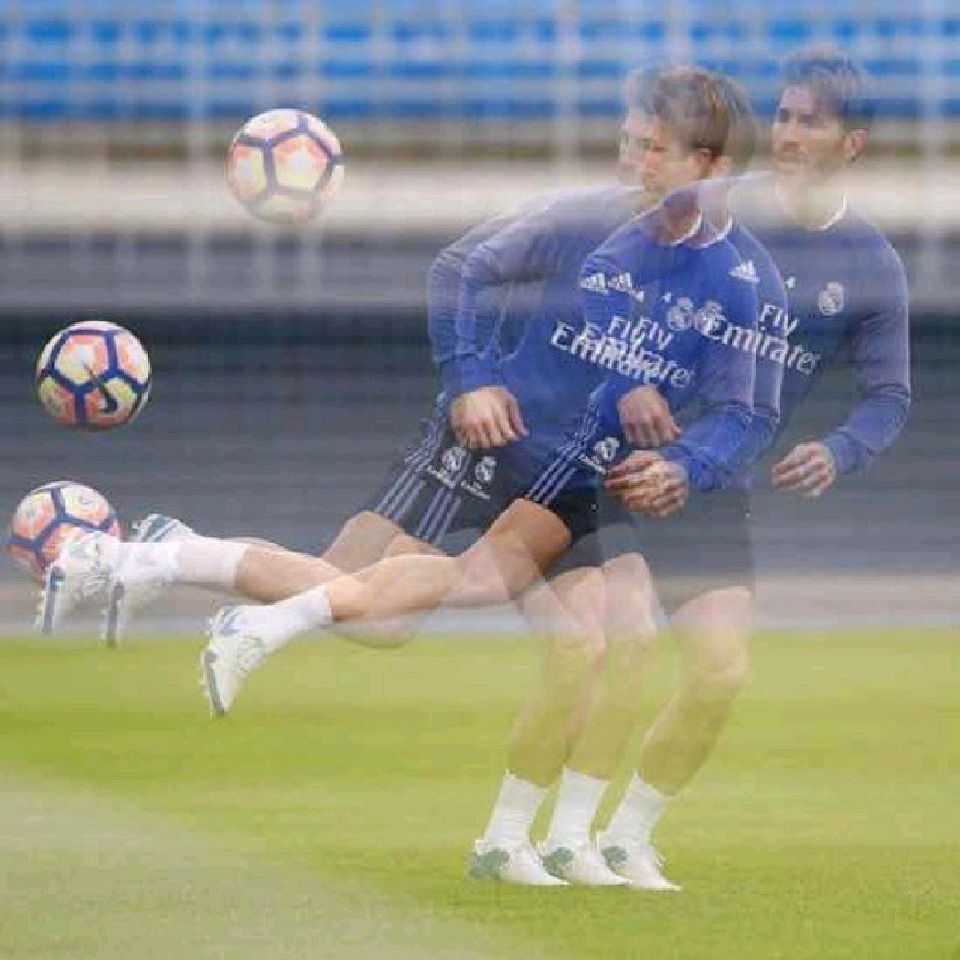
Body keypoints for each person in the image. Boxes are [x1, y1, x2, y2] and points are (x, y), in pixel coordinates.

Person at [553, 46, 910, 891]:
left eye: (810, 121)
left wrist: (839, 448)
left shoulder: (870, 263)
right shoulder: (705, 205)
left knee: (719, 674)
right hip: (623, 457)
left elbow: (890, 395)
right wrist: (626, 381)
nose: (787, 133)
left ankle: (626, 838)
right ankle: (557, 835)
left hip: (714, 474)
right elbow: (601, 282)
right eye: (782, 115)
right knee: (624, 644)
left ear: (851, 144)